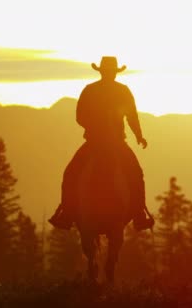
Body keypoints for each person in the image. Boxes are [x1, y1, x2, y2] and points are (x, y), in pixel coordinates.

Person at [48, 56, 154, 231]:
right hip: (114, 142)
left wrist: (138, 135)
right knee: (135, 173)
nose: (110, 74)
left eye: (111, 72)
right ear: (107, 72)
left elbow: (80, 116)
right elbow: (131, 116)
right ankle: (139, 214)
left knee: (71, 173)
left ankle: (66, 213)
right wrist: (138, 136)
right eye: (109, 72)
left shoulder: (91, 90)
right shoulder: (121, 90)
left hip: (97, 142)